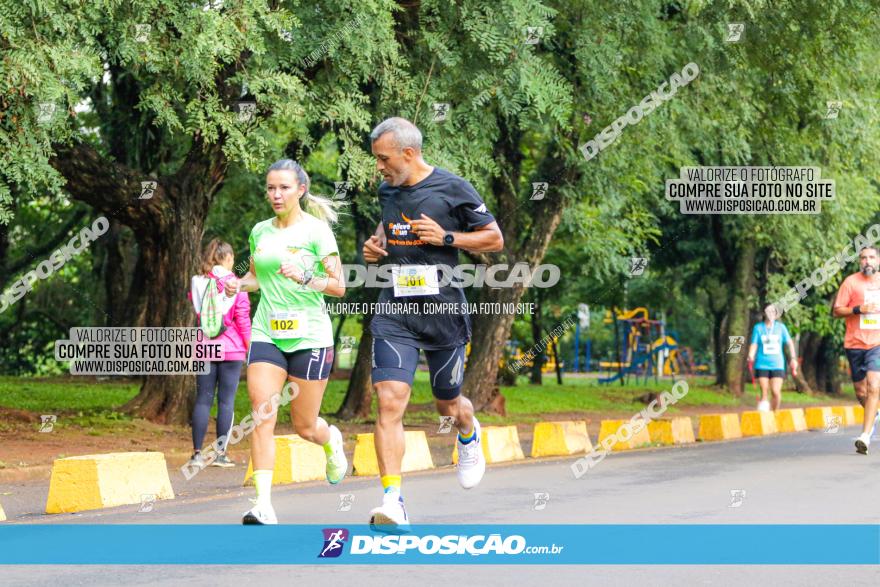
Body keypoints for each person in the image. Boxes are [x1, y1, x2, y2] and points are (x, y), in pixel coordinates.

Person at [362, 117, 504, 531]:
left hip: (442, 313)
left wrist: (447, 238)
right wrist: (376, 246)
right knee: (390, 400)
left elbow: (494, 239)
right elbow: (389, 226)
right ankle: (393, 499)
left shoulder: (454, 188)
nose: (379, 167)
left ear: (408, 153)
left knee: (447, 402)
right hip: (396, 311)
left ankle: (467, 429)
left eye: (384, 159)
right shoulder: (388, 189)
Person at [224, 159, 348, 524]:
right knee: (262, 414)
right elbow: (255, 278)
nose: (275, 194)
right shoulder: (260, 231)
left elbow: (339, 287)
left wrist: (306, 275)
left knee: (304, 426)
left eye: (283, 188)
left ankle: (331, 442)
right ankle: (263, 504)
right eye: (270, 188)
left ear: (300, 190)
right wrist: (238, 284)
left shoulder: (317, 232)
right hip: (267, 334)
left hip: (310, 336)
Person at [187, 239, 251, 469]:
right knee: (226, 402)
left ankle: (196, 455)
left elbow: (195, 308)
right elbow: (242, 319)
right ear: (228, 258)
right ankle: (220, 454)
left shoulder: (197, 282)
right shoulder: (236, 284)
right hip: (231, 349)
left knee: (203, 400)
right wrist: (249, 345)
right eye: (232, 258)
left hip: (203, 347)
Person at [832, 245, 880, 454]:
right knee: (862, 392)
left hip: (877, 344)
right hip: (854, 344)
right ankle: (875, 412)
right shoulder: (851, 283)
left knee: (873, 386)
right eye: (863, 258)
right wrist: (858, 309)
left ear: (878, 260)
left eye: (871, 257)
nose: (867, 261)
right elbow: (836, 311)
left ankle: (865, 436)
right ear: (859, 261)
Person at [747, 304, 798, 412]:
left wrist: (793, 358)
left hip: (777, 364)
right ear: (764, 313)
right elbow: (754, 344)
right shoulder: (758, 327)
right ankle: (765, 416)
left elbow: (789, 343)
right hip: (762, 363)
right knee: (764, 392)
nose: (771, 314)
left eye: (773, 312)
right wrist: (751, 355)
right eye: (768, 311)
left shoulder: (781, 327)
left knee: (775, 391)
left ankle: (774, 414)